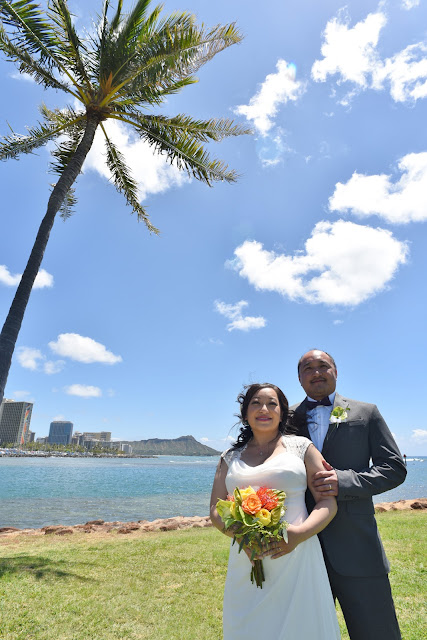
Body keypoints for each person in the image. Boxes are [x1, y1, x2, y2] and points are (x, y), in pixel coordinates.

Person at [210, 383, 341, 640]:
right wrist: (243, 538)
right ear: (245, 413)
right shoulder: (229, 457)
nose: (264, 409)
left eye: (272, 404)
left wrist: (299, 534)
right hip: (247, 555)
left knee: (302, 625)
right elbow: (216, 509)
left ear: (282, 412)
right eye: (256, 403)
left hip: (298, 552)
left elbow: (328, 503)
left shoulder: (302, 447)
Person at [292, 349, 407, 640]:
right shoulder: (287, 419)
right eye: (308, 368)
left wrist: (344, 482)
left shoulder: (365, 413)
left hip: (358, 546)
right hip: (302, 548)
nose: (317, 372)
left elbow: (393, 468)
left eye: (323, 366)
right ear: (299, 377)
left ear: (336, 371)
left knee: (377, 632)